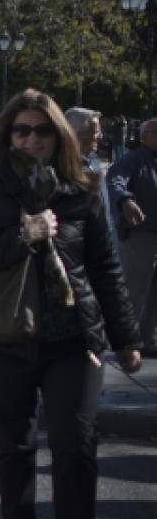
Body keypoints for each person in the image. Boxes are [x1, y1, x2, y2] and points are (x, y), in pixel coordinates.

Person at [0, 89, 143, 519]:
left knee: (76, 445)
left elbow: (104, 266)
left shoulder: (81, 190)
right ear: (7, 136)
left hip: (72, 340)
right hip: (4, 338)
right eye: (22, 130)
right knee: (14, 444)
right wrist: (23, 236)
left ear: (58, 136)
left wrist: (125, 338)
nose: (32, 139)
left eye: (42, 130)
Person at [107, 118, 157, 357]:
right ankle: (127, 341)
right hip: (140, 236)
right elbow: (116, 181)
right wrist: (126, 200)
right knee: (135, 290)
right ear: (146, 135)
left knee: (153, 292)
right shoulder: (132, 160)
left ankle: (148, 340)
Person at [66, 107, 117, 250]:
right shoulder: (63, 168)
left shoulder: (93, 162)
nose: (99, 136)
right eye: (94, 131)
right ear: (74, 133)